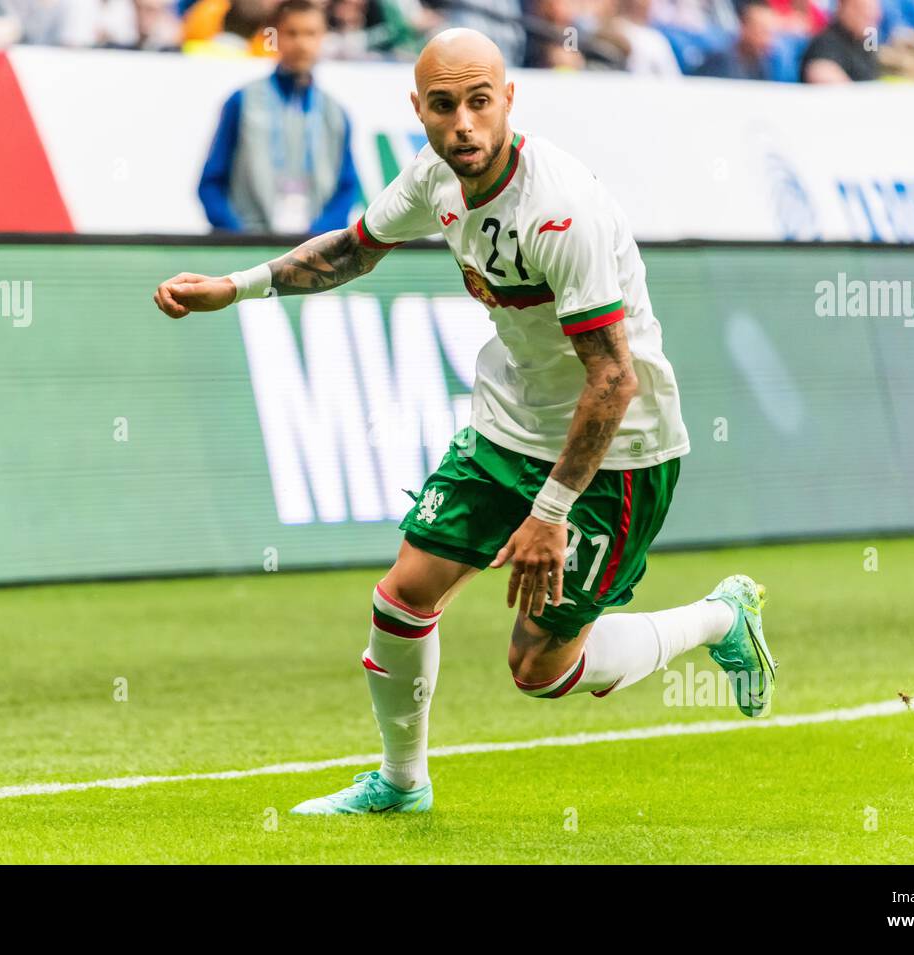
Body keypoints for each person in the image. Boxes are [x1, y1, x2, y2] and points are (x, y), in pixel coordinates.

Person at [154, 27, 777, 816]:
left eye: (480, 102)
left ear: (509, 99)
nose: (464, 126)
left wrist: (551, 512)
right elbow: (352, 250)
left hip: (617, 452)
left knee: (539, 669)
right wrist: (234, 287)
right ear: (418, 109)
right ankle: (403, 783)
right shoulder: (434, 176)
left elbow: (613, 379)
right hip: (510, 424)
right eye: (444, 107)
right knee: (402, 596)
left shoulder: (559, 210)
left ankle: (722, 615)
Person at [197, 0, 361, 234]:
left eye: (311, 34)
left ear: (323, 37)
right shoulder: (243, 101)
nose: (301, 43)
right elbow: (211, 182)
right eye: (291, 33)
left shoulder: (335, 113)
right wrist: (237, 235)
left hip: (312, 251)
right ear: (273, 37)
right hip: (249, 246)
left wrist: (320, 240)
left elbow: (347, 186)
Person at [800, 0, 881, 82]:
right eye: (861, 8)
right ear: (842, 8)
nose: (869, 14)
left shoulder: (867, 41)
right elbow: (819, 71)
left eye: (872, 9)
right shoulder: (827, 42)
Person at [696, 0, 775, 79]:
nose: (767, 40)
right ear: (744, 28)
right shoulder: (720, 62)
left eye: (769, 33)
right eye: (761, 31)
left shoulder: (762, 64)